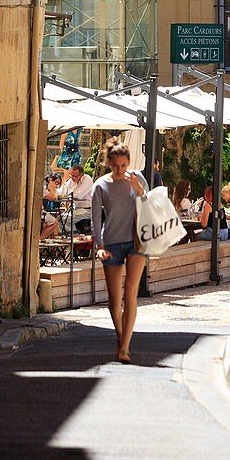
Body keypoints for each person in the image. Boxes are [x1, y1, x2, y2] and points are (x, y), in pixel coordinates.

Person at [91, 137, 148, 364]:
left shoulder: (137, 178)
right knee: (114, 301)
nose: (119, 169)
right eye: (115, 165)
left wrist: (139, 189)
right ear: (109, 163)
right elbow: (96, 219)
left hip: (136, 241)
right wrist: (100, 247)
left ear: (129, 162)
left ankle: (124, 347)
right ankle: (121, 338)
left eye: (123, 165)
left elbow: (150, 206)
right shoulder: (100, 185)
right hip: (111, 243)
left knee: (130, 292)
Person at [59, 163, 93, 233]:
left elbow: (78, 195)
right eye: (71, 175)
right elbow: (62, 191)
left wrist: (67, 194)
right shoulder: (71, 179)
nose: (72, 178)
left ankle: (72, 238)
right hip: (76, 209)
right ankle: (69, 237)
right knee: (59, 219)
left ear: (81, 175)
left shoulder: (87, 179)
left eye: (74, 176)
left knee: (65, 220)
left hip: (87, 210)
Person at [40, 173, 63, 240]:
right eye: (56, 183)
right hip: (40, 212)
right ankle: (40, 239)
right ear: (50, 180)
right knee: (55, 223)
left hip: (46, 211)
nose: (57, 185)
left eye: (58, 184)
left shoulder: (50, 190)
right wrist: (51, 189)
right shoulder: (44, 189)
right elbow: (52, 197)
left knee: (56, 224)